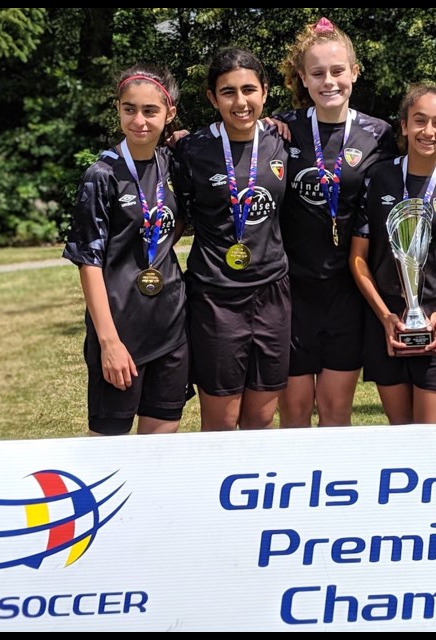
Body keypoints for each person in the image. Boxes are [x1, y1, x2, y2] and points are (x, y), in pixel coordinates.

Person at [274, 17, 398, 428]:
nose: (329, 81)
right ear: (303, 79)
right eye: (318, 73)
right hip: (291, 290)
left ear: (355, 73)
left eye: (338, 70)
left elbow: (425, 159)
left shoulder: (379, 134)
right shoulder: (281, 130)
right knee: (292, 413)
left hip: (347, 292)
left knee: (335, 412)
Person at [63, 64, 188, 436]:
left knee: (162, 440)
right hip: (120, 331)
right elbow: (89, 262)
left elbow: (172, 225)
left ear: (169, 114)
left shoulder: (174, 163)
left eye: (150, 111)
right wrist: (109, 342)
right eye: (129, 109)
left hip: (170, 326)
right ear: (117, 109)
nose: (139, 120)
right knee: (109, 448)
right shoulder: (101, 175)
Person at [174, 48, 291, 431]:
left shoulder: (281, 139)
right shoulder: (191, 149)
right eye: (228, 92)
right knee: (221, 422)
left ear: (265, 91)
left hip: (272, 292)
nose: (240, 102)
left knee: (260, 418)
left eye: (249, 90)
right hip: (216, 298)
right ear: (212, 98)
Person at [349, 83, 436, 427]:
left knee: (432, 436)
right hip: (387, 320)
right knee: (401, 434)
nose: (428, 131)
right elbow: (358, 258)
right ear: (404, 125)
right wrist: (385, 316)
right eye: (419, 120)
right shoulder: (377, 177)